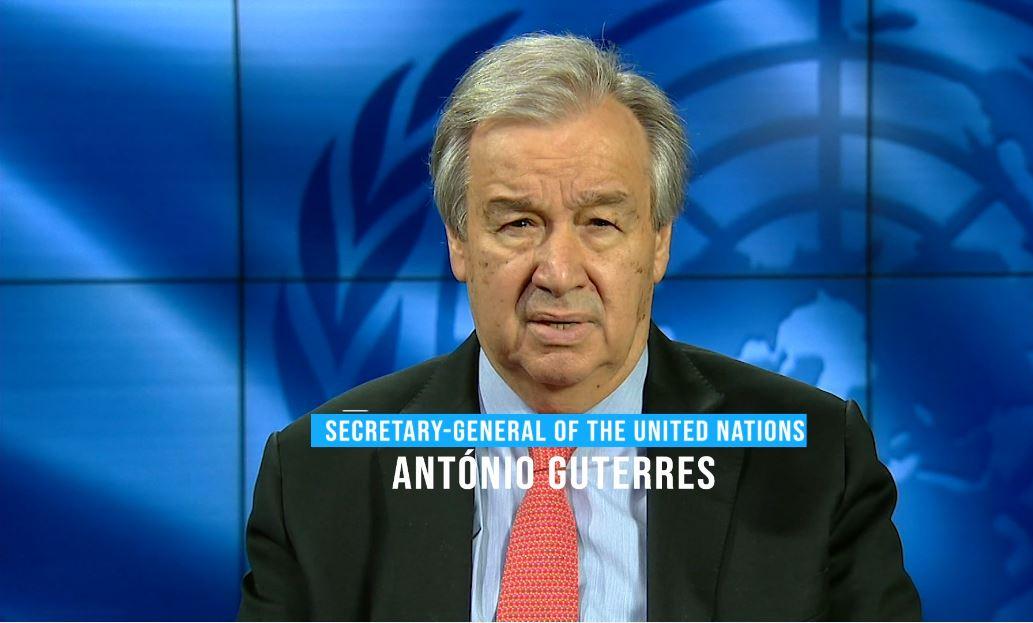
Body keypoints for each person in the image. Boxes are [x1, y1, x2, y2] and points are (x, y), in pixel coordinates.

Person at [238, 34, 922, 622]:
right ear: (458, 242)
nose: (559, 272)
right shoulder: (317, 478)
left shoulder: (813, 461)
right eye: (517, 222)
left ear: (658, 243)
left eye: (600, 222)